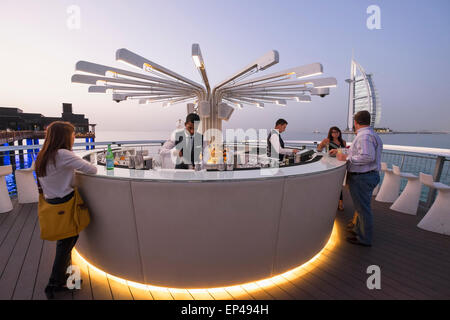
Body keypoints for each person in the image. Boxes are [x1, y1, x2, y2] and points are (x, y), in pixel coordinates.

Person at [35, 121, 97, 299]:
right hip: (65, 204)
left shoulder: (44, 154)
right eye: (72, 134)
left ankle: (67, 277)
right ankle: (54, 283)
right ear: (64, 137)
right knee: (66, 244)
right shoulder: (63, 154)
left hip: (52, 203)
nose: (74, 137)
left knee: (65, 243)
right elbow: (91, 169)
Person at [335, 111, 383, 247]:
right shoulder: (371, 134)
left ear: (355, 122)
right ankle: (358, 230)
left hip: (363, 177)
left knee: (363, 209)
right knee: (361, 207)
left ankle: (364, 238)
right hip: (367, 176)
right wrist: (345, 152)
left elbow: (367, 156)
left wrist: (347, 158)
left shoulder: (364, 136)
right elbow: (361, 153)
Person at [318, 126, 347, 210]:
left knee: (339, 184)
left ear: (339, 133)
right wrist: (322, 146)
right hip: (329, 164)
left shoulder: (343, 142)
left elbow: (345, 153)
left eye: (337, 132)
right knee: (329, 184)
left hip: (340, 163)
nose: (335, 134)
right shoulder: (327, 141)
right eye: (333, 132)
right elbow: (319, 149)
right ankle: (329, 201)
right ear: (330, 133)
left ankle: (340, 202)